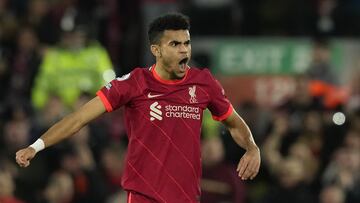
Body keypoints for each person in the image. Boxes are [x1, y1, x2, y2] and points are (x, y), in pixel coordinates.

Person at [16, 13, 261, 203]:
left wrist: (251, 147)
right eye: (175, 44)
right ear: (156, 50)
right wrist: (36, 146)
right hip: (145, 196)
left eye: (187, 43)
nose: (184, 50)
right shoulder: (134, 84)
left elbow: (233, 122)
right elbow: (79, 118)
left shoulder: (204, 82)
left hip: (186, 196)